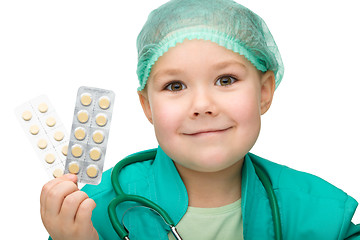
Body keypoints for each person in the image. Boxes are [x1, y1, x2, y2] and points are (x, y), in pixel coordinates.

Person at [40, 0, 360, 239]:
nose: (203, 105)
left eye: (226, 80)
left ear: (264, 91)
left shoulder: (324, 215)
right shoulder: (89, 215)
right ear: (147, 105)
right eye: (175, 86)